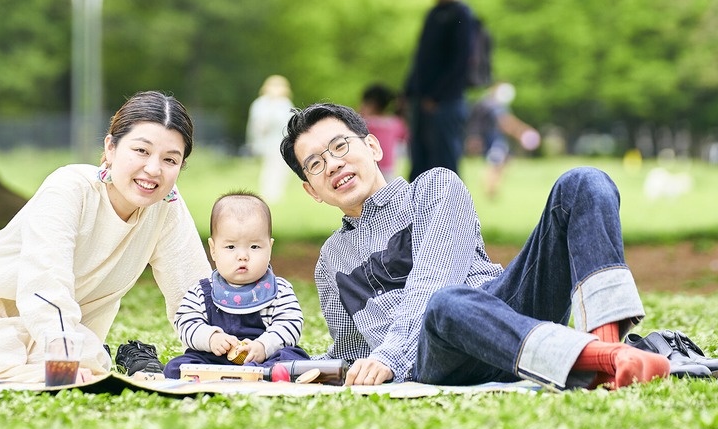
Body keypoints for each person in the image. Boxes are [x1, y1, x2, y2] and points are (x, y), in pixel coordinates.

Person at [279, 102, 672, 390]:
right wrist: (283, 360)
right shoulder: (330, 261)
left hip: (505, 311)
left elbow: (434, 278)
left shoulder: (433, 188)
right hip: (438, 356)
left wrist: (388, 355)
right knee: (446, 305)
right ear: (311, 190)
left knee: (583, 182)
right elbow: (348, 350)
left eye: (340, 146)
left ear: (374, 148)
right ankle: (601, 360)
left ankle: (608, 358)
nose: (332, 164)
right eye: (315, 163)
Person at [0, 91, 211, 383]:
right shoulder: (70, 188)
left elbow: (191, 293)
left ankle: (62, 357)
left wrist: (230, 344)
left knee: (87, 362)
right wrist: (64, 359)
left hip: (56, 334)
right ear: (110, 147)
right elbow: (45, 283)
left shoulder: (167, 206)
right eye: (141, 151)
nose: (154, 169)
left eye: (170, 159)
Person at [164, 192, 310, 378]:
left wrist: (263, 346)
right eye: (231, 247)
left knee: (293, 357)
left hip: (265, 357)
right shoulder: (201, 292)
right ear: (213, 249)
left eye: (254, 247)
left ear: (270, 248)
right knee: (177, 366)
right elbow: (186, 323)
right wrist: (210, 338)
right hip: (214, 359)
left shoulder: (279, 290)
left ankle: (265, 373)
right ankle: (248, 376)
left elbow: (290, 324)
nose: (243, 256)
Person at [404, 0, 476, 182]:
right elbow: (421, 59)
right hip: (422, 103)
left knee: (444, 168)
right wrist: (408, 92)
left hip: (445, 104)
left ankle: (450, 217)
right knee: (420, 167)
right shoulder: (433, 13)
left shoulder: (461, 13)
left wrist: (436, 97)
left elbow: (461, 63)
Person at [473, 82, 541, 199]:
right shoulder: (495, 105)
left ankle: (492, 190)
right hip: (494, 140)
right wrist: (522, 133)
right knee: (495, 165)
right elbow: (505, 122)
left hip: (491, 139)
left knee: (502, 163)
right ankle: (490, 190)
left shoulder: (486, 102)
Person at [246, 75, 295, 203]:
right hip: (267, 143)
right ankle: (269, 194)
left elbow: (290, 122)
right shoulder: (260, 103)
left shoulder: (285, 104)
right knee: (270, 168)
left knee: (281, 169)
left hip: (282, 141)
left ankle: (276, 194)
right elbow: (256, 125)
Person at [359, 83, 409, 180]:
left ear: (371, 104)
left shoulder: (366, 122)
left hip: (371, 166)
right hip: (389, 168)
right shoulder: (396, 123)